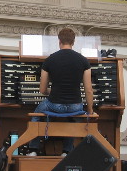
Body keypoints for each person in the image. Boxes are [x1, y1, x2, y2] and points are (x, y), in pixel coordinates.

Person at [27, 27, 95, 157]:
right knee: (72, 119)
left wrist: (52, 91)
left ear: (59, 41)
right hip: (75, 105)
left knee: (36, 115)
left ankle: (33, 149)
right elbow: (89, 90)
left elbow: (42, 90)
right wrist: (90, 111)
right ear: (73, 42)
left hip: (54, 104)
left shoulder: (50, 60)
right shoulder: (83, 61)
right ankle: (66, 151)